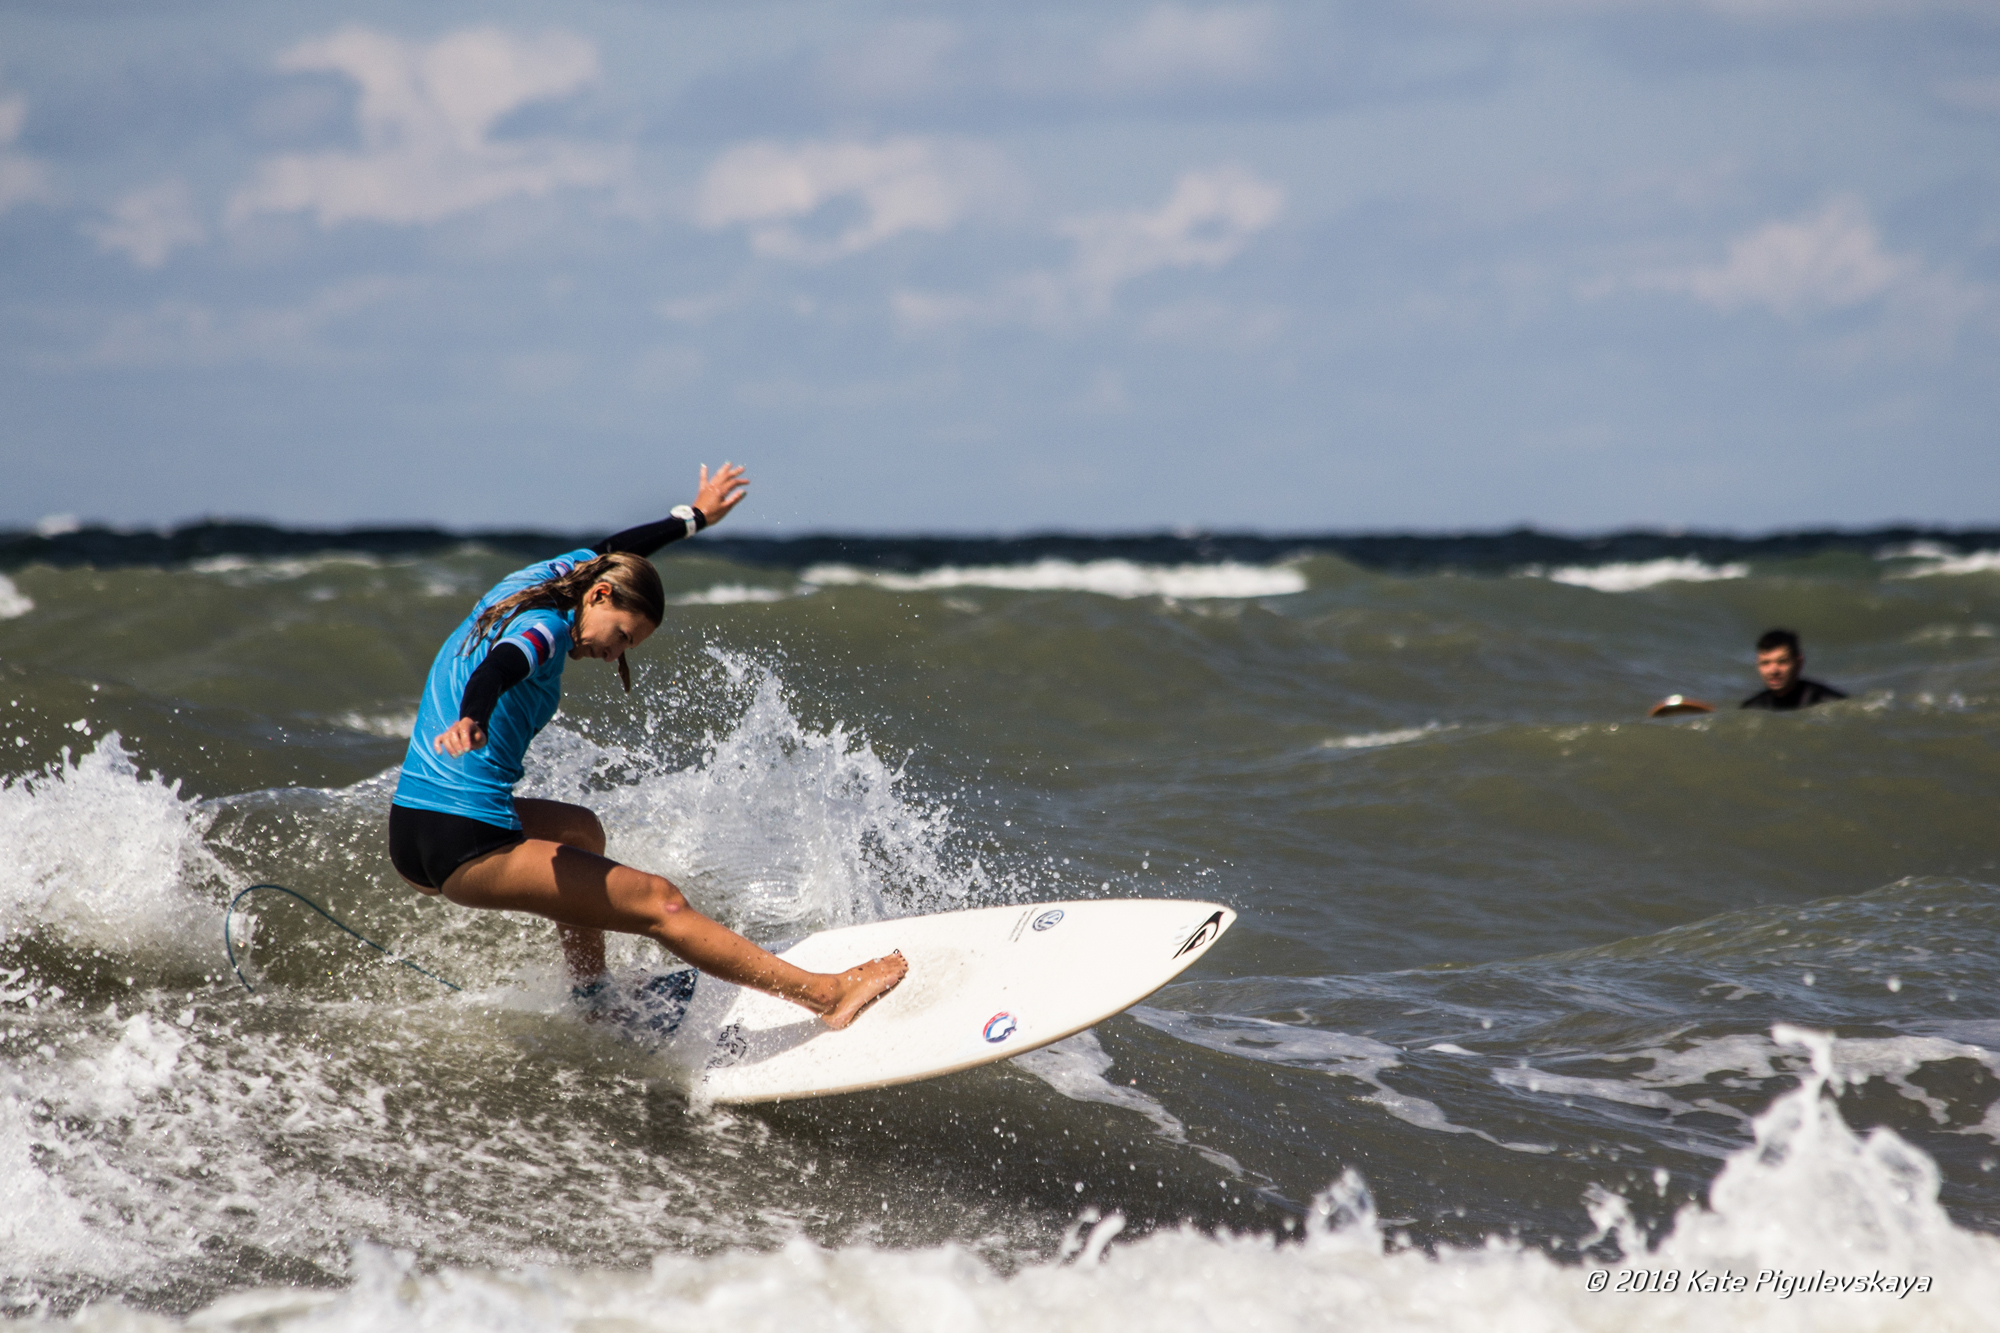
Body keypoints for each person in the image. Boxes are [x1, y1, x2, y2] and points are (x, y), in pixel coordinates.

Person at [387, 462, 906, 1029]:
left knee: (579, 831)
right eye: (623, 637)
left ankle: (590, 998)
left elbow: (619, 547)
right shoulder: (547, 629)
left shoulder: (547, 579)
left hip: (414, 827)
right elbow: (503, 665)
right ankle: (825, 996)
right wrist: (472, 717)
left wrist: (695, 516)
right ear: (601, 595)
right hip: (465, 841)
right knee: (661, 903)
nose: (615, 655)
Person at [1740, 628, 1847, 711]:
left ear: (1799, 662)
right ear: (1757, 664)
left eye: (1782, 662)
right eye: (1765, 663)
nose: (1773, 671)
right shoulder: (1753, 707)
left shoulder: (1828, 701)